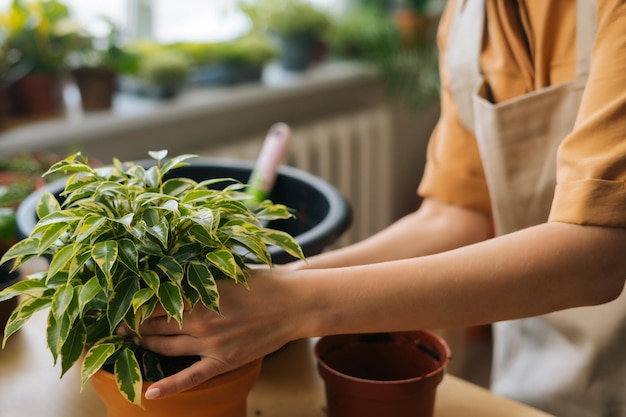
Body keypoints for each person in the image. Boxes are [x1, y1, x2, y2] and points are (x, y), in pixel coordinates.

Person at [120, 1, 626, 416]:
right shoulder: (469, 17)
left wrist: (286, 305)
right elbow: (454, 215)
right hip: (534, 360)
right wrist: (267, 291)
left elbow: (596, 255)